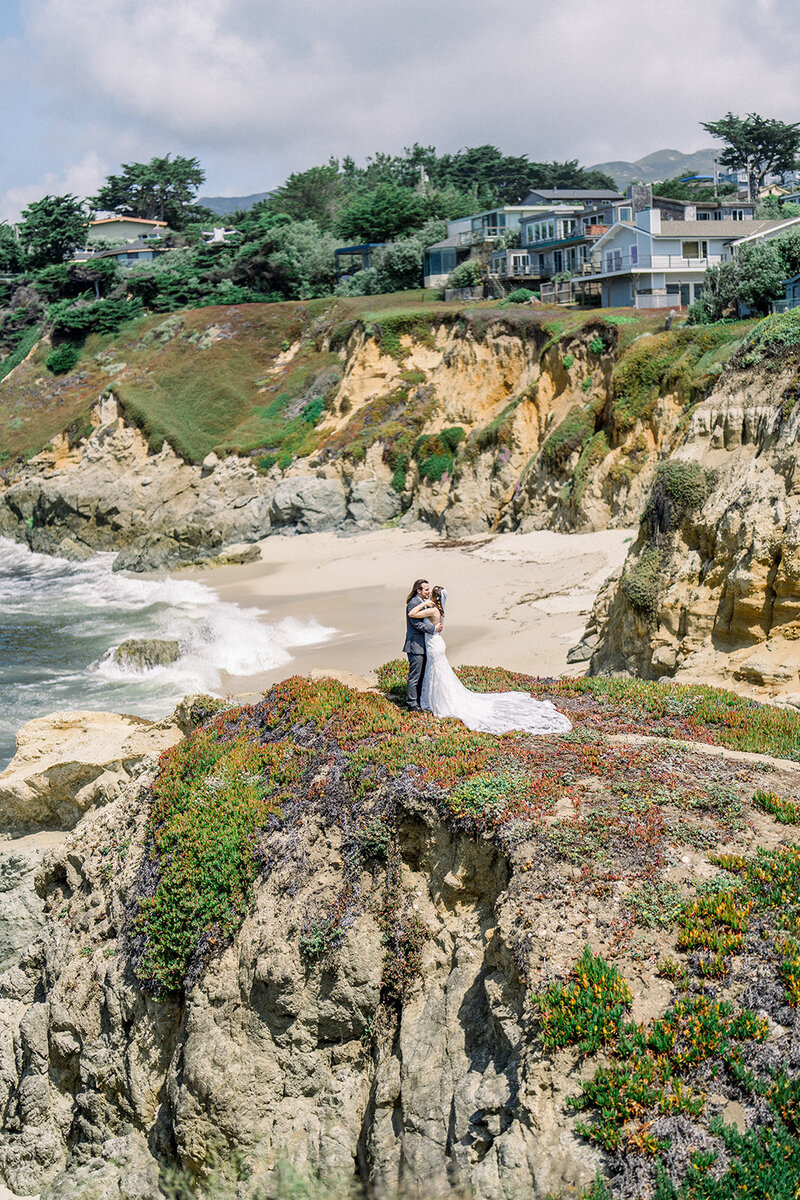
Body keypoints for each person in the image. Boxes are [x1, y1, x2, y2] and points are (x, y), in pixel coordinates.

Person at [408, 585, 571, 735]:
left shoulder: (432, 610)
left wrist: (424, 604)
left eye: (430, 592)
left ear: (434, 597)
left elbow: (412, 614)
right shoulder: (440, 611)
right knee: (439, 674)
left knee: (438, 674)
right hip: (436, 644)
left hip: (434, 646)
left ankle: (438, 703)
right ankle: (431, 700)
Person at [402, 578, 442, 712]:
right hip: (415, 645)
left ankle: (418, 700)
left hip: (423, 645)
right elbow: (416, 624)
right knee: (415, 676)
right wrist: (433, 629)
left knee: (421, 674)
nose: (428, 591)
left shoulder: (423, 603)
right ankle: (412, 704)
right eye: (426, 589)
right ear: (418, 590)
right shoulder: (414, 602)